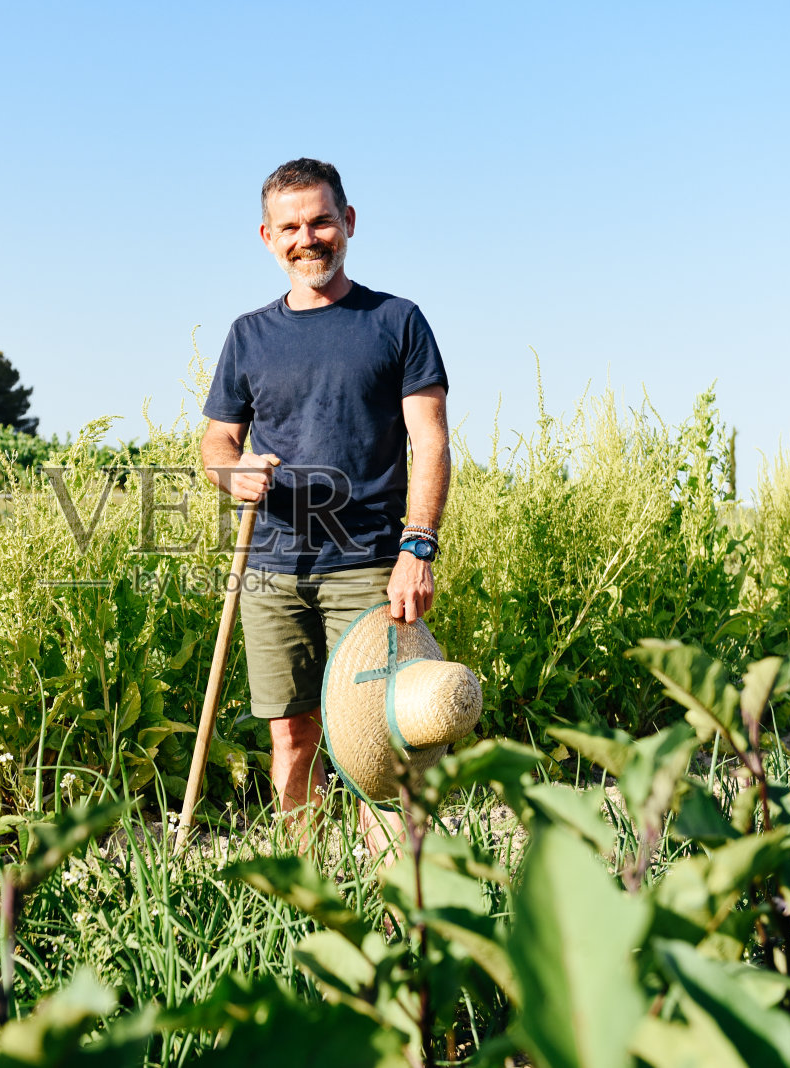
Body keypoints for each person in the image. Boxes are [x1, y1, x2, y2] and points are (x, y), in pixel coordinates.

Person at [200, 158, 451, 854]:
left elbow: (430, 442)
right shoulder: (248, 335)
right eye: (290, 227)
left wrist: (417, 548)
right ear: (267, 236)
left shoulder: (396, 321)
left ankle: (402, 893)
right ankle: (305, 889)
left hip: (369, 565)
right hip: (271, 566)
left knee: (382, 738)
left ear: (349, 222)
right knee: (292, 734)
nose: (306, 238)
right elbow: (217, 442)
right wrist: (233, 472)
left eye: (320, 221)